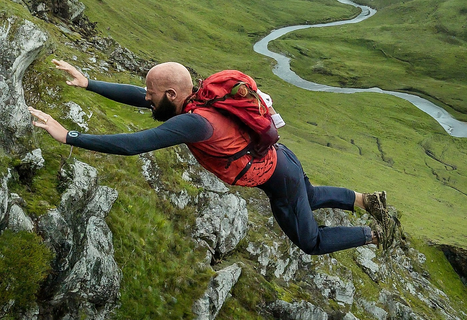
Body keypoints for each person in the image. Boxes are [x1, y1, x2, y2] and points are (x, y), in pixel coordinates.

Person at [29, 59, 393, 254]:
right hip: (282, 161)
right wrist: (89, 83)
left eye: (153, 96)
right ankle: (366, 200)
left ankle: (375, 235)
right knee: (309, 196)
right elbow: (139, 96)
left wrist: (68, 136)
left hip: (278, 178)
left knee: (311, 242)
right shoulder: (199, 96)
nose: (147, 100)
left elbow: (133, 144)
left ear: (172, 94)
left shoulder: (193, 124)